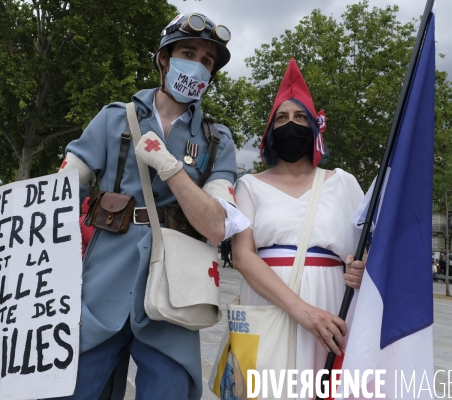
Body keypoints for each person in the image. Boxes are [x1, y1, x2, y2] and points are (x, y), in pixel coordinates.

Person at [58, 13, 248, 399]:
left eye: (207, 61)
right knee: (70, 387)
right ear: (164, 58)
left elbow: (216, 226)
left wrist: (170, 167)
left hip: (174, 292)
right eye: (187, 52)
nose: (196, 65)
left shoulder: (217, 140)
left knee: (170, 389)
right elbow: (59, 192)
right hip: (102, 281)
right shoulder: (114, 119)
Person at [232, 59, 366, 382]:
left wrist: (362, 269)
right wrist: (304, 313)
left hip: (332, 313)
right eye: (281, 117)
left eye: (299, 117)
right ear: (270, 130)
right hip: (268, 309)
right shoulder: (249, 186)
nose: (290, 124)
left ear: (314, 126)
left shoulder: (344, 183)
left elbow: (365, 253)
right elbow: (241, 256)